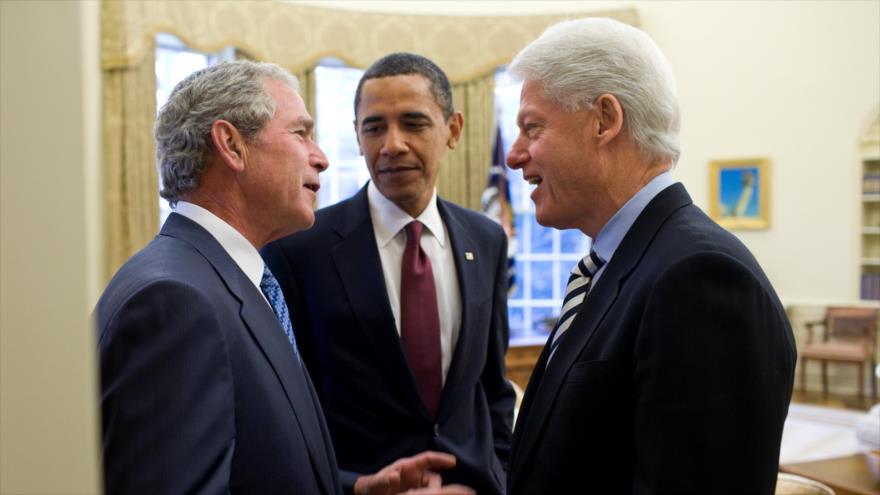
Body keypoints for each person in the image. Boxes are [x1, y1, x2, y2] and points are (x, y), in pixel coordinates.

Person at [95, 59, 474, 495]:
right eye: (301, 133)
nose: (323, 157)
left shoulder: (223, 279)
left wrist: (358, 489)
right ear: (232, 146)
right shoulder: (174, 302)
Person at [503, 18, 797, 494]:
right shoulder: (623, 264)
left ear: (604, 120)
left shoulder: (699, 279)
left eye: (532, 128)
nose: (515, 156)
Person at [262, 53, 515, 495]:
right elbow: (286, 413)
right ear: (357, 137)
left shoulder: (486, 239)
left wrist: (500, 475)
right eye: (374, 127)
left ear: (453, 130)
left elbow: (492, 387)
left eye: (413, 123)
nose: (392, 144)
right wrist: (353, 486)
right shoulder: (298, 249)